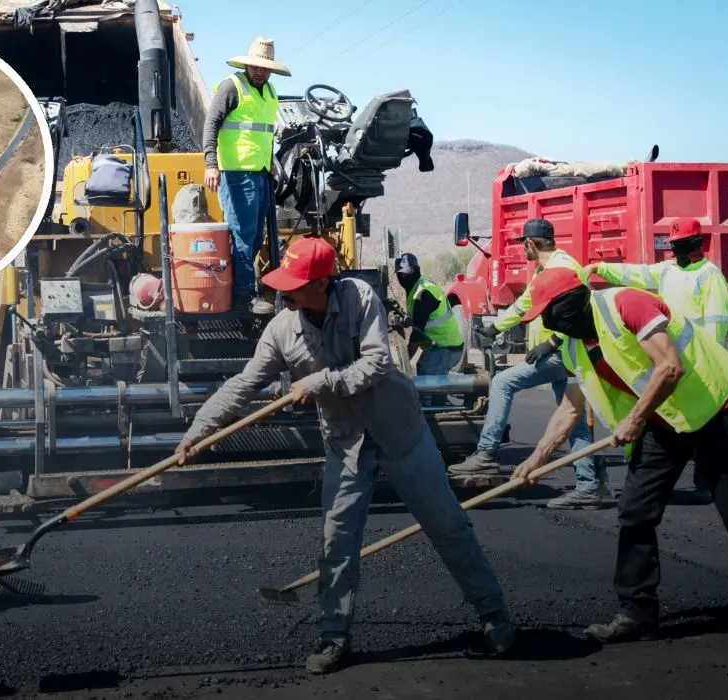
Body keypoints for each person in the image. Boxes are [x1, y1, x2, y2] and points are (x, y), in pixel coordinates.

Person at [174, 238, 516, 675]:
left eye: (295, 285)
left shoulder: (359, 298)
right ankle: (334, 638)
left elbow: (375, 362)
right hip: (347, 444)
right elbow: (243, 384)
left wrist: (320, 383)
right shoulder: (282, 329)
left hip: (400, 434)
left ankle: (494, 616)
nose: (286, 294)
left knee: (449, 526)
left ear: (322, 282)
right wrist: (199, 431)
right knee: (337, 544)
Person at [510, 266, 728, 653]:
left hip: (706, 409)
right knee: (635, 512)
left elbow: (670, 367)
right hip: (661, 422)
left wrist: (634, 419)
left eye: (548, 312)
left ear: (568, 304)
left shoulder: (626, 303)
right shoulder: (574, 346)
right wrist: (537, 458)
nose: (546, 322)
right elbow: (571, 408)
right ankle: (637, 613)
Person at [448, 218, 609, 509]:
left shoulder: (565, 269)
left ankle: (485, 453)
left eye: (524, 244)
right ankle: (588, 485)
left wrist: (553, 342)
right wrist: (496, 327)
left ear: (531, 243)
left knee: (502, 382)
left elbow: (577, 314)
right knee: (574, 421)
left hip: (563, 353)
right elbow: (524, 304)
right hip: (564, 356)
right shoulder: (545, 269)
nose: (523, 249)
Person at [584, 215, 728, 505]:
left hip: (702, 360)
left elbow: (718, 321)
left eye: (679, 243)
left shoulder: (709, 275)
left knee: (708, 425)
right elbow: (634, 274)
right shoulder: (666, 271)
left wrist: (712, 360)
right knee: (683, 421)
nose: (674, 249)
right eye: (672, 243)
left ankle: (709, 481)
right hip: (675, 357)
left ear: (695, 243)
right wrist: (600, 267)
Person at [202, 36, 289, 316]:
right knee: (242, 232)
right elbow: (211, 123)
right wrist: (210, 163)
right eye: (256, 66)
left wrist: (271, 161)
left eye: (264, 67)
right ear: (248, 65)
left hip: (261, 174)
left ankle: (240, 285)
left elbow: (262, 135)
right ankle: (243, 295)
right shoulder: (232, 86)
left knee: (256, 236)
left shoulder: (270, 92)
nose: (259, 71)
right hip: (237, 173)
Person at [394, 253, 464, 405]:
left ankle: (432, 414)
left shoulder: (423, 292)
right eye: (401, 274)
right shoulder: (416, 288)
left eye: (407, 273)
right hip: (440, 346)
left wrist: (402, 364)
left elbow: (416, 336)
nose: (404, 277)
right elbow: (420, 318)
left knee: (425, 380)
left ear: (416, 270)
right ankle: (438, 403)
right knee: (423, 369)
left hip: (446, 347)